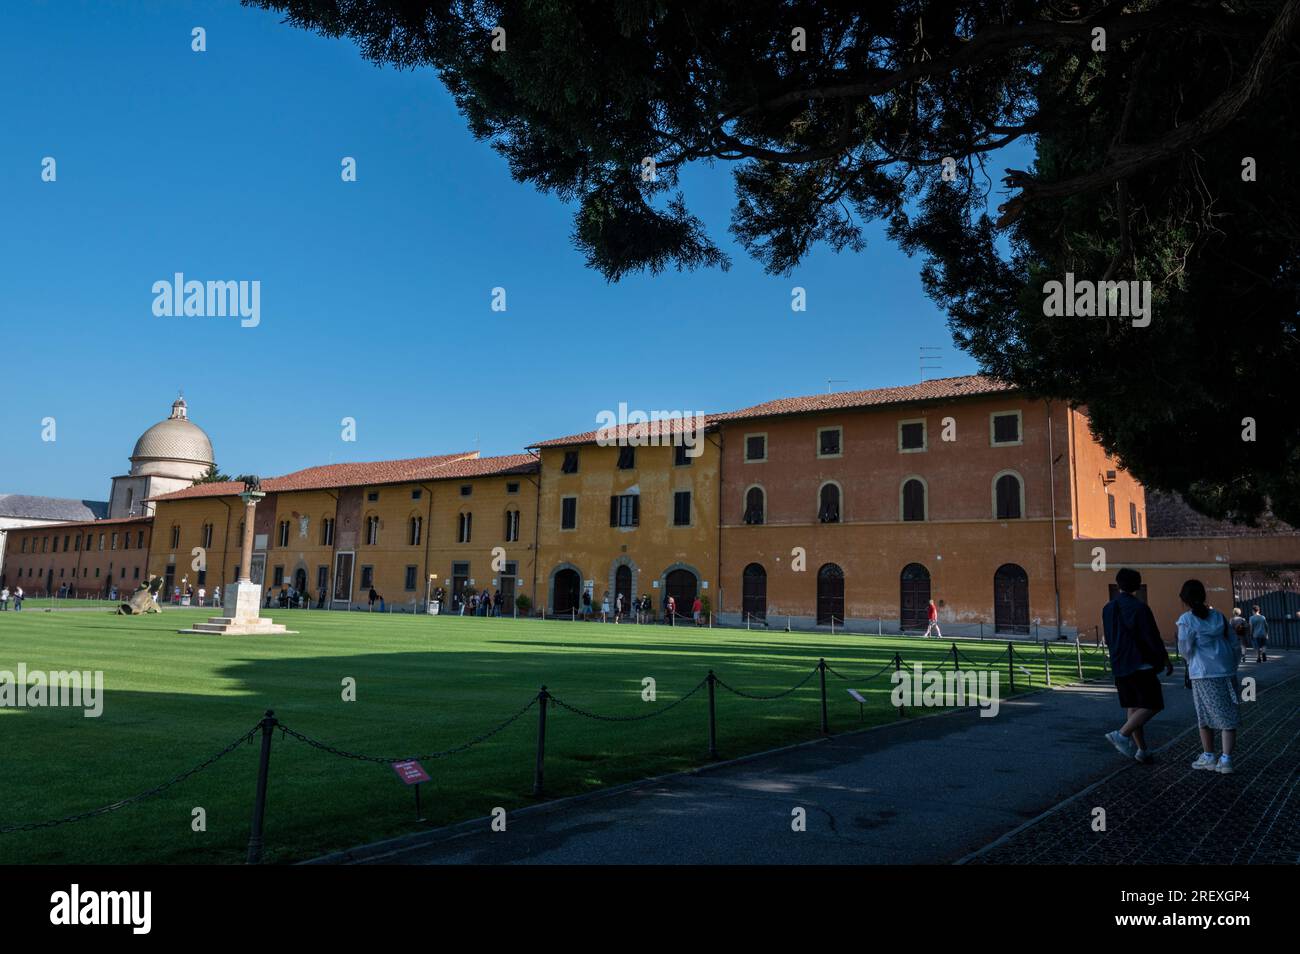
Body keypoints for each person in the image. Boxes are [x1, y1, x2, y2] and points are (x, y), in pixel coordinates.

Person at [1101, 568, 1172, 764]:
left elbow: (1109, 636)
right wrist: (1164, 658)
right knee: (1153, 704)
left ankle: (1142, 750)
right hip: (1140, 663)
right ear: (1138, 586)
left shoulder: (1108, 608)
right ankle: (1121, 734)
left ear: (1117, 585)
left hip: (1120, 663)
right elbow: (1152, 636)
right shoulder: (1141, 608)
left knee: (1133, 706)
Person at [1178, 579, 1241, 775]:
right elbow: (1234, 643)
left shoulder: (1186, 620)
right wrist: (1232, 664)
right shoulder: (1219, 617)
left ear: (1184, 599)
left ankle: (1208, 755)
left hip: (1203, 673)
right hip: (1226, 670)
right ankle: (1226, 759)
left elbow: (1184, 648)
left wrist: (1190, 661)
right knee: (1228, 716)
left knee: (1204, 716)